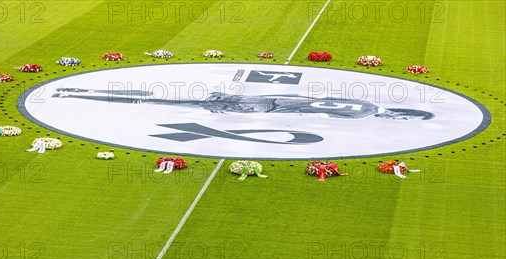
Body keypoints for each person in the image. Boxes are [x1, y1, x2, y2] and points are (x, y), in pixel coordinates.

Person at [51, 88, 435, 120]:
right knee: (170, 102)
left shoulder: (361, 105)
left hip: (259, 103)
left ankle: (75, 94)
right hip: (258, 106)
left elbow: (303, 102)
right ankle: (76, 95)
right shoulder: (364, 114)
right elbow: (302, 107)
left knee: (170, 102)